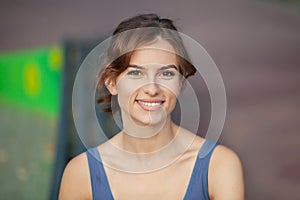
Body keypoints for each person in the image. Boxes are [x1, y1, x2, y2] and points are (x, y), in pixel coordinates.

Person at [59, 14, 245, 200]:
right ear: (111, 82)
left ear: (180, 82)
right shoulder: (80, 174)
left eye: (166, 73)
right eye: (136, 73)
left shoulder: (220, 166)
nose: (152, 88)